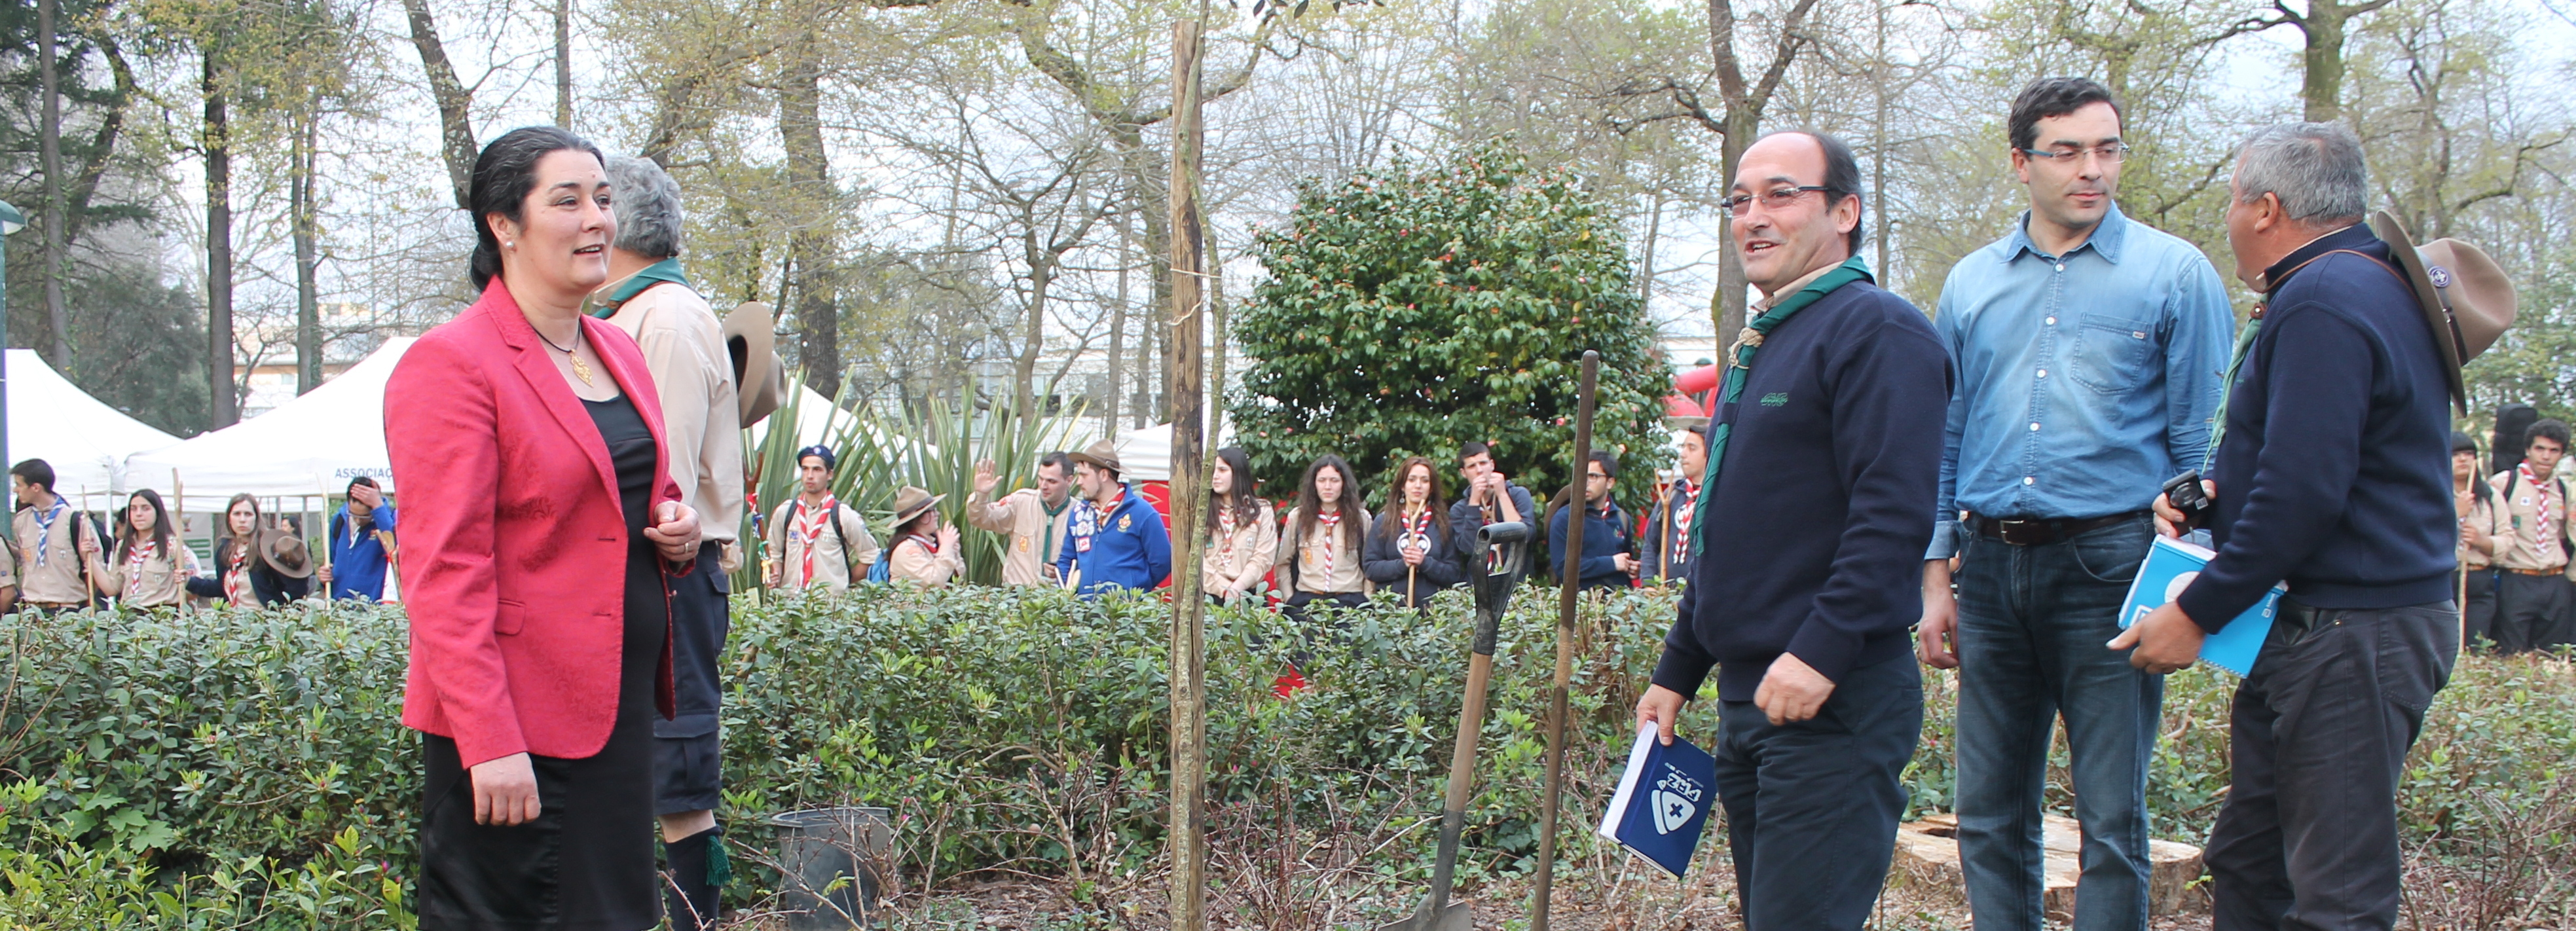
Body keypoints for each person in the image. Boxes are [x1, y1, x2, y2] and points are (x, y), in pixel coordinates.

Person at [1912, 77, 2236, 931]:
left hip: (2112, 565)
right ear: (2020, 162)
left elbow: (2197, 448)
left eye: (2107, 148)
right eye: (2066, 150)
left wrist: (2183, 582)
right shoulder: (1972, 284)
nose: (2091, 169)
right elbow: (1946, 436)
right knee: (1986, 812)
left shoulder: (2173, 275)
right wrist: (1935, 574)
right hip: (1986, 571)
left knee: (2112, 823)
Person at [2117, 122, 2456, 931]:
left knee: (2335, 896)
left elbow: (2306, 492)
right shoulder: (2361, 286)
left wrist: (2197, 612)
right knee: (2249, 862)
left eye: (2232, 201)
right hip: (2320, 629)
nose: (2228, 219)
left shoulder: (2324, 300)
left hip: (2353, 632)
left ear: (2265, 208)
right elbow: (2331, 456)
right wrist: (2214, 494)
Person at [382, 125, 705, 931]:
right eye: (567, 201)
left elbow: (638, 492)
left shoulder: (616, 351)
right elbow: (442, 571)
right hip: (514, 725)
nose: (597, 219)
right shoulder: (451, 363)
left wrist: (676, 526)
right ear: (503, 225)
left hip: (615, 712)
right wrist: (488, 741)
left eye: (602, 198)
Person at [1633, 129, 1947, 931]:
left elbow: (1892, 516)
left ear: (1844, 211)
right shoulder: (1764, 343)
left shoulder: (1877, 330)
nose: (1753, 217)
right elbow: (1730, 530)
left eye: (1780, 194)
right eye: (1739, 201)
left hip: (1831, 703)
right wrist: (1679, 668)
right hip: (1750, 698)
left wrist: (1820, 649)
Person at [591, 155, 746, 927]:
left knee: (677, 777)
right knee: (633, 770)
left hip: (671, 570)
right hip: (639, 571)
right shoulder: (627, 312)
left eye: (594, 203)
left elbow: (667, 481)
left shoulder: (668, 317)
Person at [2485, 419, 2569, 655]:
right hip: (2517, 578)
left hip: (2554, 580)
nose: (2546, 457)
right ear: (2528, 450)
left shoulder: (2563, 489)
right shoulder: (2504, 483)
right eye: (2540, 449)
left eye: (2554, 451)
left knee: (2551, 656)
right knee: (2511, 653)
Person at [1056, 439, 1171, 596]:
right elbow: (1067, 560)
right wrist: (1063, 596)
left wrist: (1134, 589)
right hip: (1082, 612)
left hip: (1124, 613)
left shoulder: (1142, 512)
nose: (1079, 482)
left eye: (1084, 475)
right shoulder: (1078, 513)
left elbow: (1163, 561)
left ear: (1104, 475)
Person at [764, 445, 880, 596]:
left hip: (828, 606)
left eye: (817, 470)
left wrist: (844, 579)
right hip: (791, 603)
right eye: (805, 469)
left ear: (830, 474)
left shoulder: (842, 515)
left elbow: (870, 555)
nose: (809, 476)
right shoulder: (785, 512)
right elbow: (774, 551)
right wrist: (777, 572)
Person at [1277, 454, 1371, 621]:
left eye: (1334, 480)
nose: (1328, 487)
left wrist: (1368, 599)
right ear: (1314, 484)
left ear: (1344, 483)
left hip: (1350, 601)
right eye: (1322, 480)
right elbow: (1283, 561)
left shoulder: (1361, 519)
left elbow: (1370, 563)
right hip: (1308, 600)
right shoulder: (1298, 517)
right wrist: (1289, 598)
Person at [1363, 456, 1465, 609]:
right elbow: (1371, 569)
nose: (1418, 486)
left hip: (1433, 617)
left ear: (1431, 488)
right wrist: (1402, 564)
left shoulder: (1443, 523)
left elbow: (1453, 573)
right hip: (1391, 617)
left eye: (1425, 481)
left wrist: (1425, 562)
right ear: (1403, 486)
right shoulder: (1384, 521)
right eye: (1412, 480)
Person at [184, 494, 314, 608]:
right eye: (237, 514)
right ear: (229, 518)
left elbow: (296, 591)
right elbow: (220, 588)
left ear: (256, 518)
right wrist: (190, 581)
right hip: (233, 621)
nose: (242, 520)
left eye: (248, 514)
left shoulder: (268, 548)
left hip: (264, 622)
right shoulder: (226, 549)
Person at [966, 453, 1075, 587]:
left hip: (1056, 599)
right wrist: (981, 495)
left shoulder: (1079, 513)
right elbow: (981, 519)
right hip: (1016, 596)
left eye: (1052, 481)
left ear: (1069, 481)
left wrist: (1065, 570)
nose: (1043, 486)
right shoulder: (1021, 501)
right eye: (1041, 479)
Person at [12, 458, 107, 611]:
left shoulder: (75, 520)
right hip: (33, 609)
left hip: (67, 608)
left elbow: (95, 567)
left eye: (19, 485)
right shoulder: (21, 521)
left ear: (35, 488)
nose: (15, 490)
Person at [83, 488, 199, 610]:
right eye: (133, 509)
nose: (138, 514)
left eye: (146, 508)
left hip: (163, 616)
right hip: (131, 617)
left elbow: (195, 590)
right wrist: (90, 558)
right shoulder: (123, 546)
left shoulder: (173, 546)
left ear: (158, 512)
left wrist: (184, 583)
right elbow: (112, 588)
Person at [1549, 450, 1638, 592]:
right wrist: (1611, 563)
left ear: (1610, 482)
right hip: (1583, 608)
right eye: (1581, 475)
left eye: (1593, 476)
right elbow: (1563, 569)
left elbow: (1626, 559)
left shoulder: (1622, 518)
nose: (1585, 482)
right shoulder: (1565, 518)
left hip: (1619, 607)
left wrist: (1632, 568)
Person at [1202, 447, 1278, 604]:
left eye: (1223, 470)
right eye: (1212, 470)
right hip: (1209, 594)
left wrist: (1238, 587)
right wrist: (1224, 588)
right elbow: (1195, 558)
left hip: (1247, 594)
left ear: (1238, 472)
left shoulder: (1261, 510)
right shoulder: (1202, 510)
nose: (1215, 476)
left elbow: (1263, 557)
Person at [1640, 424, 1708, 585]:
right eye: (1683, 447)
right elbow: (1651, 542)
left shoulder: (1719, 497)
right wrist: (1649, 582)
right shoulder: (1672, 495)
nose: (1683, 455)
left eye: (1692, 449)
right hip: (1665, 592)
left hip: (1700, 593)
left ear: (1709, 453)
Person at [2454, 432, 2503, 650]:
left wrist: (2482, 541)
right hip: (2446, 578)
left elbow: (2508, 537)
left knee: (2476, 646)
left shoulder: (2491, 495)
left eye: (2469, 454)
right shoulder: (2432, 494)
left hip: (2480, 580)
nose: (2463, 459)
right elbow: (2420, 533)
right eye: (2455, 454)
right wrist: (2455, 514)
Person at [319, 477, 398, 602]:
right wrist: (325, 576)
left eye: (366, 516)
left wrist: (378, 508)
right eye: (354, 515)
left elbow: (395, 546)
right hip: (340, 604)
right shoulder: (339, 521)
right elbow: (331, 560)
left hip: (373, 606)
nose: (359, 520)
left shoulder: (390, 518)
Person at [1449, 441, 1534, 541]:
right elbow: (1468, 546)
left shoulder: (1518, 494)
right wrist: (1474, 503)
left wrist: (1502, 495)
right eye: (1472, 466)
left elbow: (1526, 537)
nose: (1479, 470)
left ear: (1492, 465)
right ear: (1464, 473)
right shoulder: (1460, 509)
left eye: (1483, 463)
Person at [883, 486, 964, 587]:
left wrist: (954, 553)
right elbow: (934, 582)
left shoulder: (930, 543)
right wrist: (946, 548)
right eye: (932, 510)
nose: (937, 514)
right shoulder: (906, 550)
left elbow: (955, 581)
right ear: (920, 517)